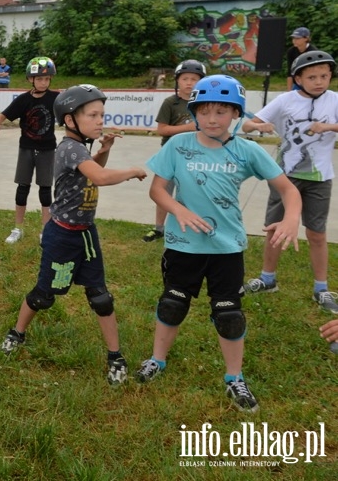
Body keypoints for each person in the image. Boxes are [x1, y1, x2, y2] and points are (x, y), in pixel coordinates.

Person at [135, 75, 301, 414]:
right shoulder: (178, 147)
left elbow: (288, 189)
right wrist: (178, 210)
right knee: (172, 304)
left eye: (222, 111)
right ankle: (157, 359)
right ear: (194, 112)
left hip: (226, 249)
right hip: (183, 246)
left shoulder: (246, 150)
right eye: (205, 111)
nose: (213, 119)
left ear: (236, 113)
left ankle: (234, 377)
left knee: (229, 315)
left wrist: (291, 218)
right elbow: (157, 190)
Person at [0, 85, 147, 386]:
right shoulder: (69, 148)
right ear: (70, 121)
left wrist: (103, 149)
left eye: (101, 114)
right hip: (62, 236)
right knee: (44, 297)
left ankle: (115, 356)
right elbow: (101, 177)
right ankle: (17, 332)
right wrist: (131, 170)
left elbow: (91, 172)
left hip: (85, 234)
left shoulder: (83, 147)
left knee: (101, 297)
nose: (99, 120)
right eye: (92, 115)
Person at [241, 51, 338, 315]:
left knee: (316, 233)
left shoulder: (335, 100)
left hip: (320, 178)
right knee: (274, 228)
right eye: (312, 77)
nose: (319, 81)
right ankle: (267, 279)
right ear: (298, 78)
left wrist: (327, 128)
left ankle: (322, 288)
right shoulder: (285, 100)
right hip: (284, 176)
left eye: (324, 76)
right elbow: (248, 124)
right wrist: (257, 127)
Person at [0, 56, 59, 244]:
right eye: (40, 79)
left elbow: (72, 114)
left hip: (47, 149)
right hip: (26, 148)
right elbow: (3, 115)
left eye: (47, 79)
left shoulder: (55, 98)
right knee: (22, 188)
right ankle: (18, 229)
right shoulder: (23, 100)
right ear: (31, 79)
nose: (44, 82)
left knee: (45, 190)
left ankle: (46, 230)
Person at [142, 59, 206, 242]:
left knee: (193, 193)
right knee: (164, 192)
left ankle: (195, 224)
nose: (189, 83)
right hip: (171, 156)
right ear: (177, 81)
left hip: (197, 155)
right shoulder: (171, 103)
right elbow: (162, 129)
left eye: (194, 79)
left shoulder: (204, 103)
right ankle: (159, 228)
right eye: (185, 78)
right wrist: (188, 128)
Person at [285, 27, 316, 91]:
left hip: (311, 82)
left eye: (297, 38)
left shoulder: (313, 52)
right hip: (297, 82)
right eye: (293, 38)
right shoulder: (291, 51)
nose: (294, 40)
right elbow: (290, 72)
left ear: (306, 39)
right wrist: (289, 91)